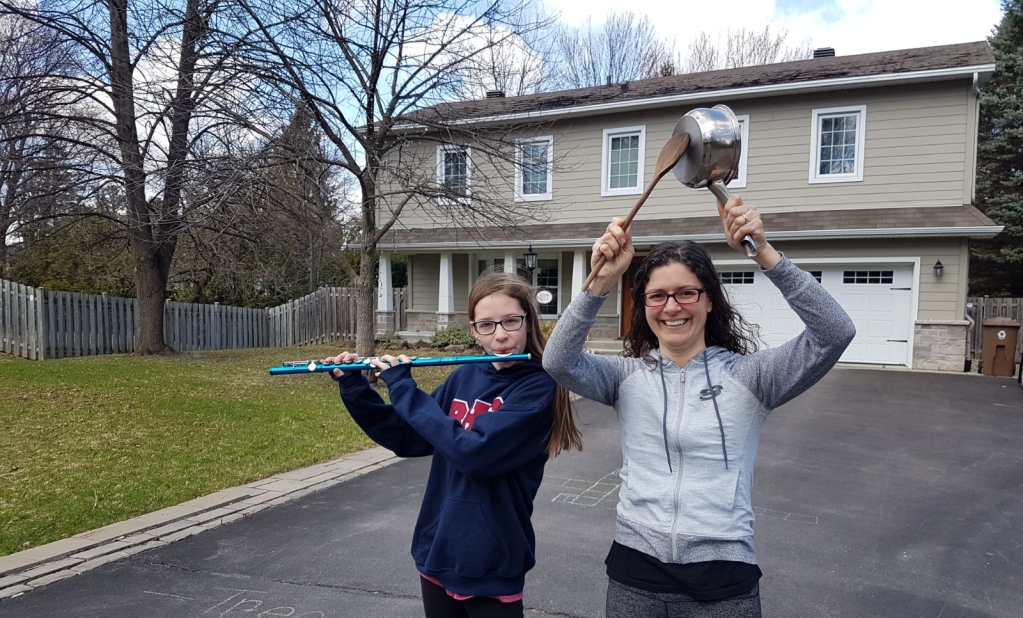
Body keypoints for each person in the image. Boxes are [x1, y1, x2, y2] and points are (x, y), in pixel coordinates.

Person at [542, 196, 856, 617]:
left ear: (710, 300)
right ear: (644, 307)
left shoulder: (753, 378)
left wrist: (763, 252)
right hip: (635, 571)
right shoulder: (626, 377)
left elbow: (834, 332)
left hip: (722, 579)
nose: (671, 306)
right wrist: (601, 281)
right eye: (656, 296)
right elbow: (557, 360)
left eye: (686, 292)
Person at [323, 271, 582, 618]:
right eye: (487, 325)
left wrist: (404, 388)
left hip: (491, 561)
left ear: (528, 321)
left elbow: (475, 454)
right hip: (439, 549)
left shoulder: (539, 388)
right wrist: (355, 388)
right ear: (474, 330)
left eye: (511, 321)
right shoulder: (464, 375)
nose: (501, 335)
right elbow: (410, 436)